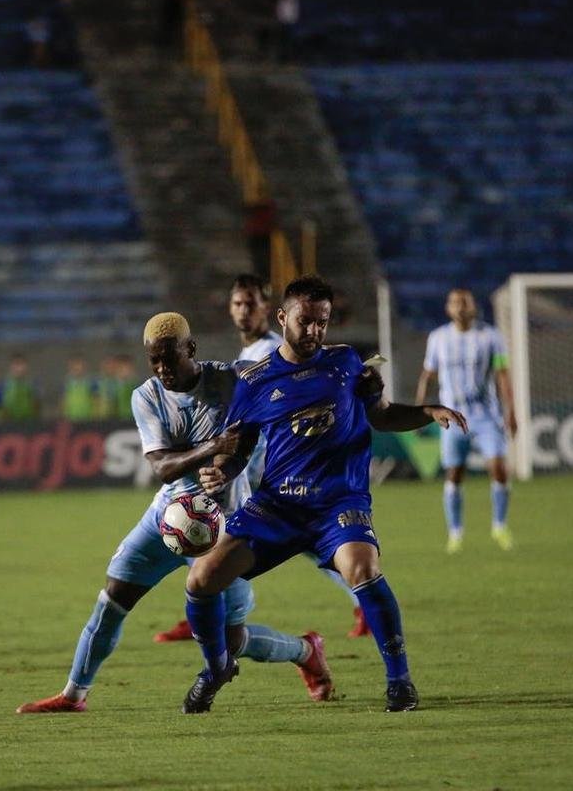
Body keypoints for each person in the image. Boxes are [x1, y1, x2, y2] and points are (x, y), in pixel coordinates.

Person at [16, 312, 333, 713]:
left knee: (231, 640)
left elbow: (270, 388)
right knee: (112, 598)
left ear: (192, 349)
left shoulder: (229, 380)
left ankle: (305, 651)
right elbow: (163, 468)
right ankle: (73, 695)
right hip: (168, 517)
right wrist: (214, 446)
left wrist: (324, 376)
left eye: (171, 358)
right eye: (155, 361)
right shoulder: (145, 396)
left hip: (225, 527)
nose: (163, 369)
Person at [180, 275, 467, 713]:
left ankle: (400, 681)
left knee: (363, 568)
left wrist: (428, 411)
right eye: (305, 321)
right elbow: (238, 450)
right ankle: (216, 667)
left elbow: (383, 416)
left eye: (322, 322)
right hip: (277, 506)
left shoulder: (347, 363)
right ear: (283, 317)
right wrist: (220, 473)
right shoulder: (254, 381)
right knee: (200, 580)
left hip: (338, 504)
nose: (314, 330)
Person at [154, 274, 370, 644]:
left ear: (269, 310)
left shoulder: (272, 354)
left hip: (273, 472)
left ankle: (206, 615)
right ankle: (204, 612)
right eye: (238, 303)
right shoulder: (248, 354)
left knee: (212, 535)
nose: (244, 311)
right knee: (232, 538)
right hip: (253, 471)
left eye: (251, 303)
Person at [415, 288, 517, 554]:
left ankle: (499, 526)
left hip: (486, 415)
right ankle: (456, 533)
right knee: (454, 474)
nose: (460, 307)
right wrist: (420, 410)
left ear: (473, 307)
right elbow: (428, 374)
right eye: (454, 303)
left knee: (498, 468)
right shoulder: (438, 338)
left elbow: (503, 375)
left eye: (465, 302)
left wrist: (511, 411)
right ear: (448, 309)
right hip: (452, 416)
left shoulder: (491, 336)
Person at [0, 354, 41, 421]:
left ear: (26, 366)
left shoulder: (32, 384)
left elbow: (37, 405)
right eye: (16, 364)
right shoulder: (3, 385)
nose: (19, 368)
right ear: (11, 367)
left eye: (22, 364)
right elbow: (1, 407)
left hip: (28, 421)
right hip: (9, 422)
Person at [61, 357, 98, 421]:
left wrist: (95, 415)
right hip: (71, 417)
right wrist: (64, 415)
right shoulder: (67, 382)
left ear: (85, 367)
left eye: (79, 366)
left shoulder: (91, 382)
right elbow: (64, 399)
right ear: (70, 368)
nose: (77, 369)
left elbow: (96, 399)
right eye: (74, 367)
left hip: (88, 417)